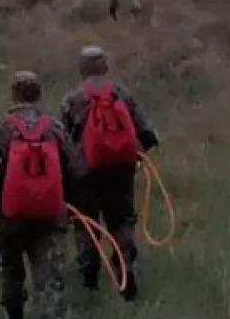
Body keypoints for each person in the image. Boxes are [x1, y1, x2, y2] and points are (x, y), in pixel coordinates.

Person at [0, 71, 82, 319]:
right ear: (38, 95)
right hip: (50, 218)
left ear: (14, 94)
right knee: (50, 281)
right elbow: (74, 171)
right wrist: (75, 210)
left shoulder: (3, 129)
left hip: (11, 220)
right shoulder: (54, 128)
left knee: (12, 272)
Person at [57, 46, 159, 301]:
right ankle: (126, 266)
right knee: (121, 220)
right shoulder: (121, 93)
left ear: (82, 68)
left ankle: (89, 277)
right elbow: (147, 133)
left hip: (84, 173)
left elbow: (56, 140)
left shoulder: (72, 99)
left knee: (86, 224)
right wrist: (134, 157)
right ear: (106, 66)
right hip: (120, 170)